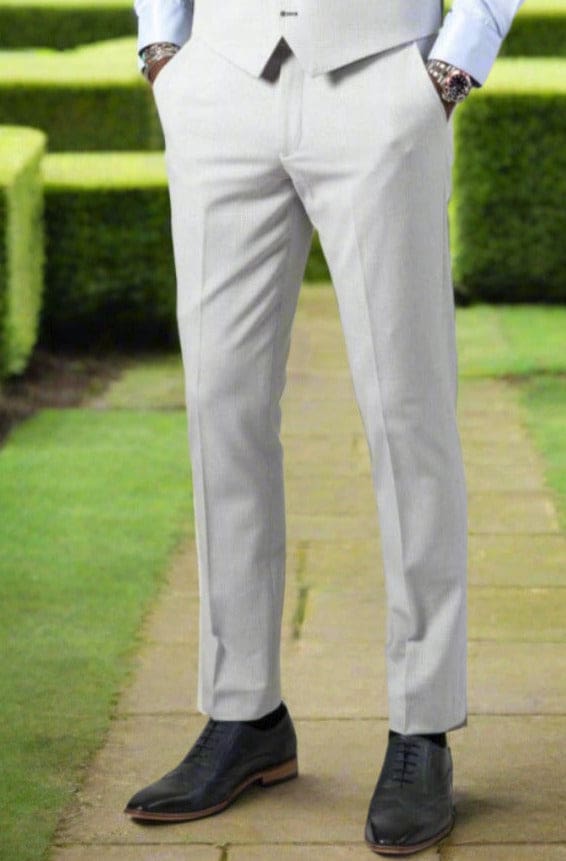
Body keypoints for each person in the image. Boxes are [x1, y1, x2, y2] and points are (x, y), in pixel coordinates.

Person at [125, 0, 524, 854]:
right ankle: (244, 713)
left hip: (383, 77)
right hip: (220, 80)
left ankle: (422, 724)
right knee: (220, 406)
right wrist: (161, 44)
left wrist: (455, 62)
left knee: (407, 412)